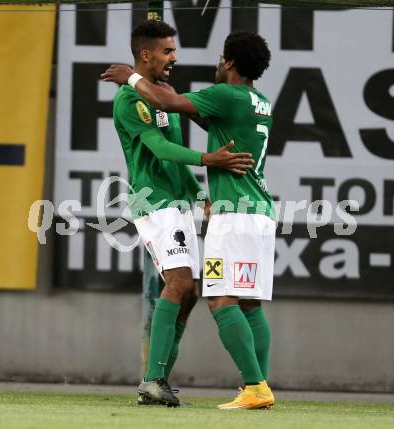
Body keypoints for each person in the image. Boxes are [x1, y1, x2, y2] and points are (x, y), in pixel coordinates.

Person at [102, 31, 276, 410]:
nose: (174, 57)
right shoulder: (132, 98)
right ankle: (155, 380)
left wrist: (197, 195)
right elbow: (161, 148)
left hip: (188, 204)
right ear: (145, 55)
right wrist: (207, 162)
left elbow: (177, 113)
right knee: (189, 285)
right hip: (155, 201)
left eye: (174, 49)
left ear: (229, 61)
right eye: (168, 50)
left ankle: (246, 386)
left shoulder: (171, 95)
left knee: (199, 293)